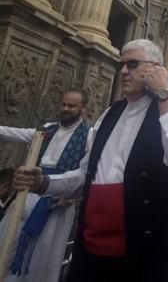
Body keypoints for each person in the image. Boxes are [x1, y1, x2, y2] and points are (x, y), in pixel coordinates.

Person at [13, 39, 168, 282]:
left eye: (132, 64)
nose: (123, 71)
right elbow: (86, 177)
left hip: (141, 251)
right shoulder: (109, 114)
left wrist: (164, 93)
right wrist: (45, 183)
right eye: (121, 65)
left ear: (155, 67)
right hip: (91, 248)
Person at [0, 88, 91, 282]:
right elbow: (16, 134)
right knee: (9, 243)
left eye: (72, 106)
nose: (65, 109)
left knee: (40, 259)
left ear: (83, 109)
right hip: (29, 194)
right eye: (63, 104)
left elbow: (86, 173)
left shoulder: (89, 136)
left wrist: (69, 193)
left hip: (57, 204)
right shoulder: (48, 129)